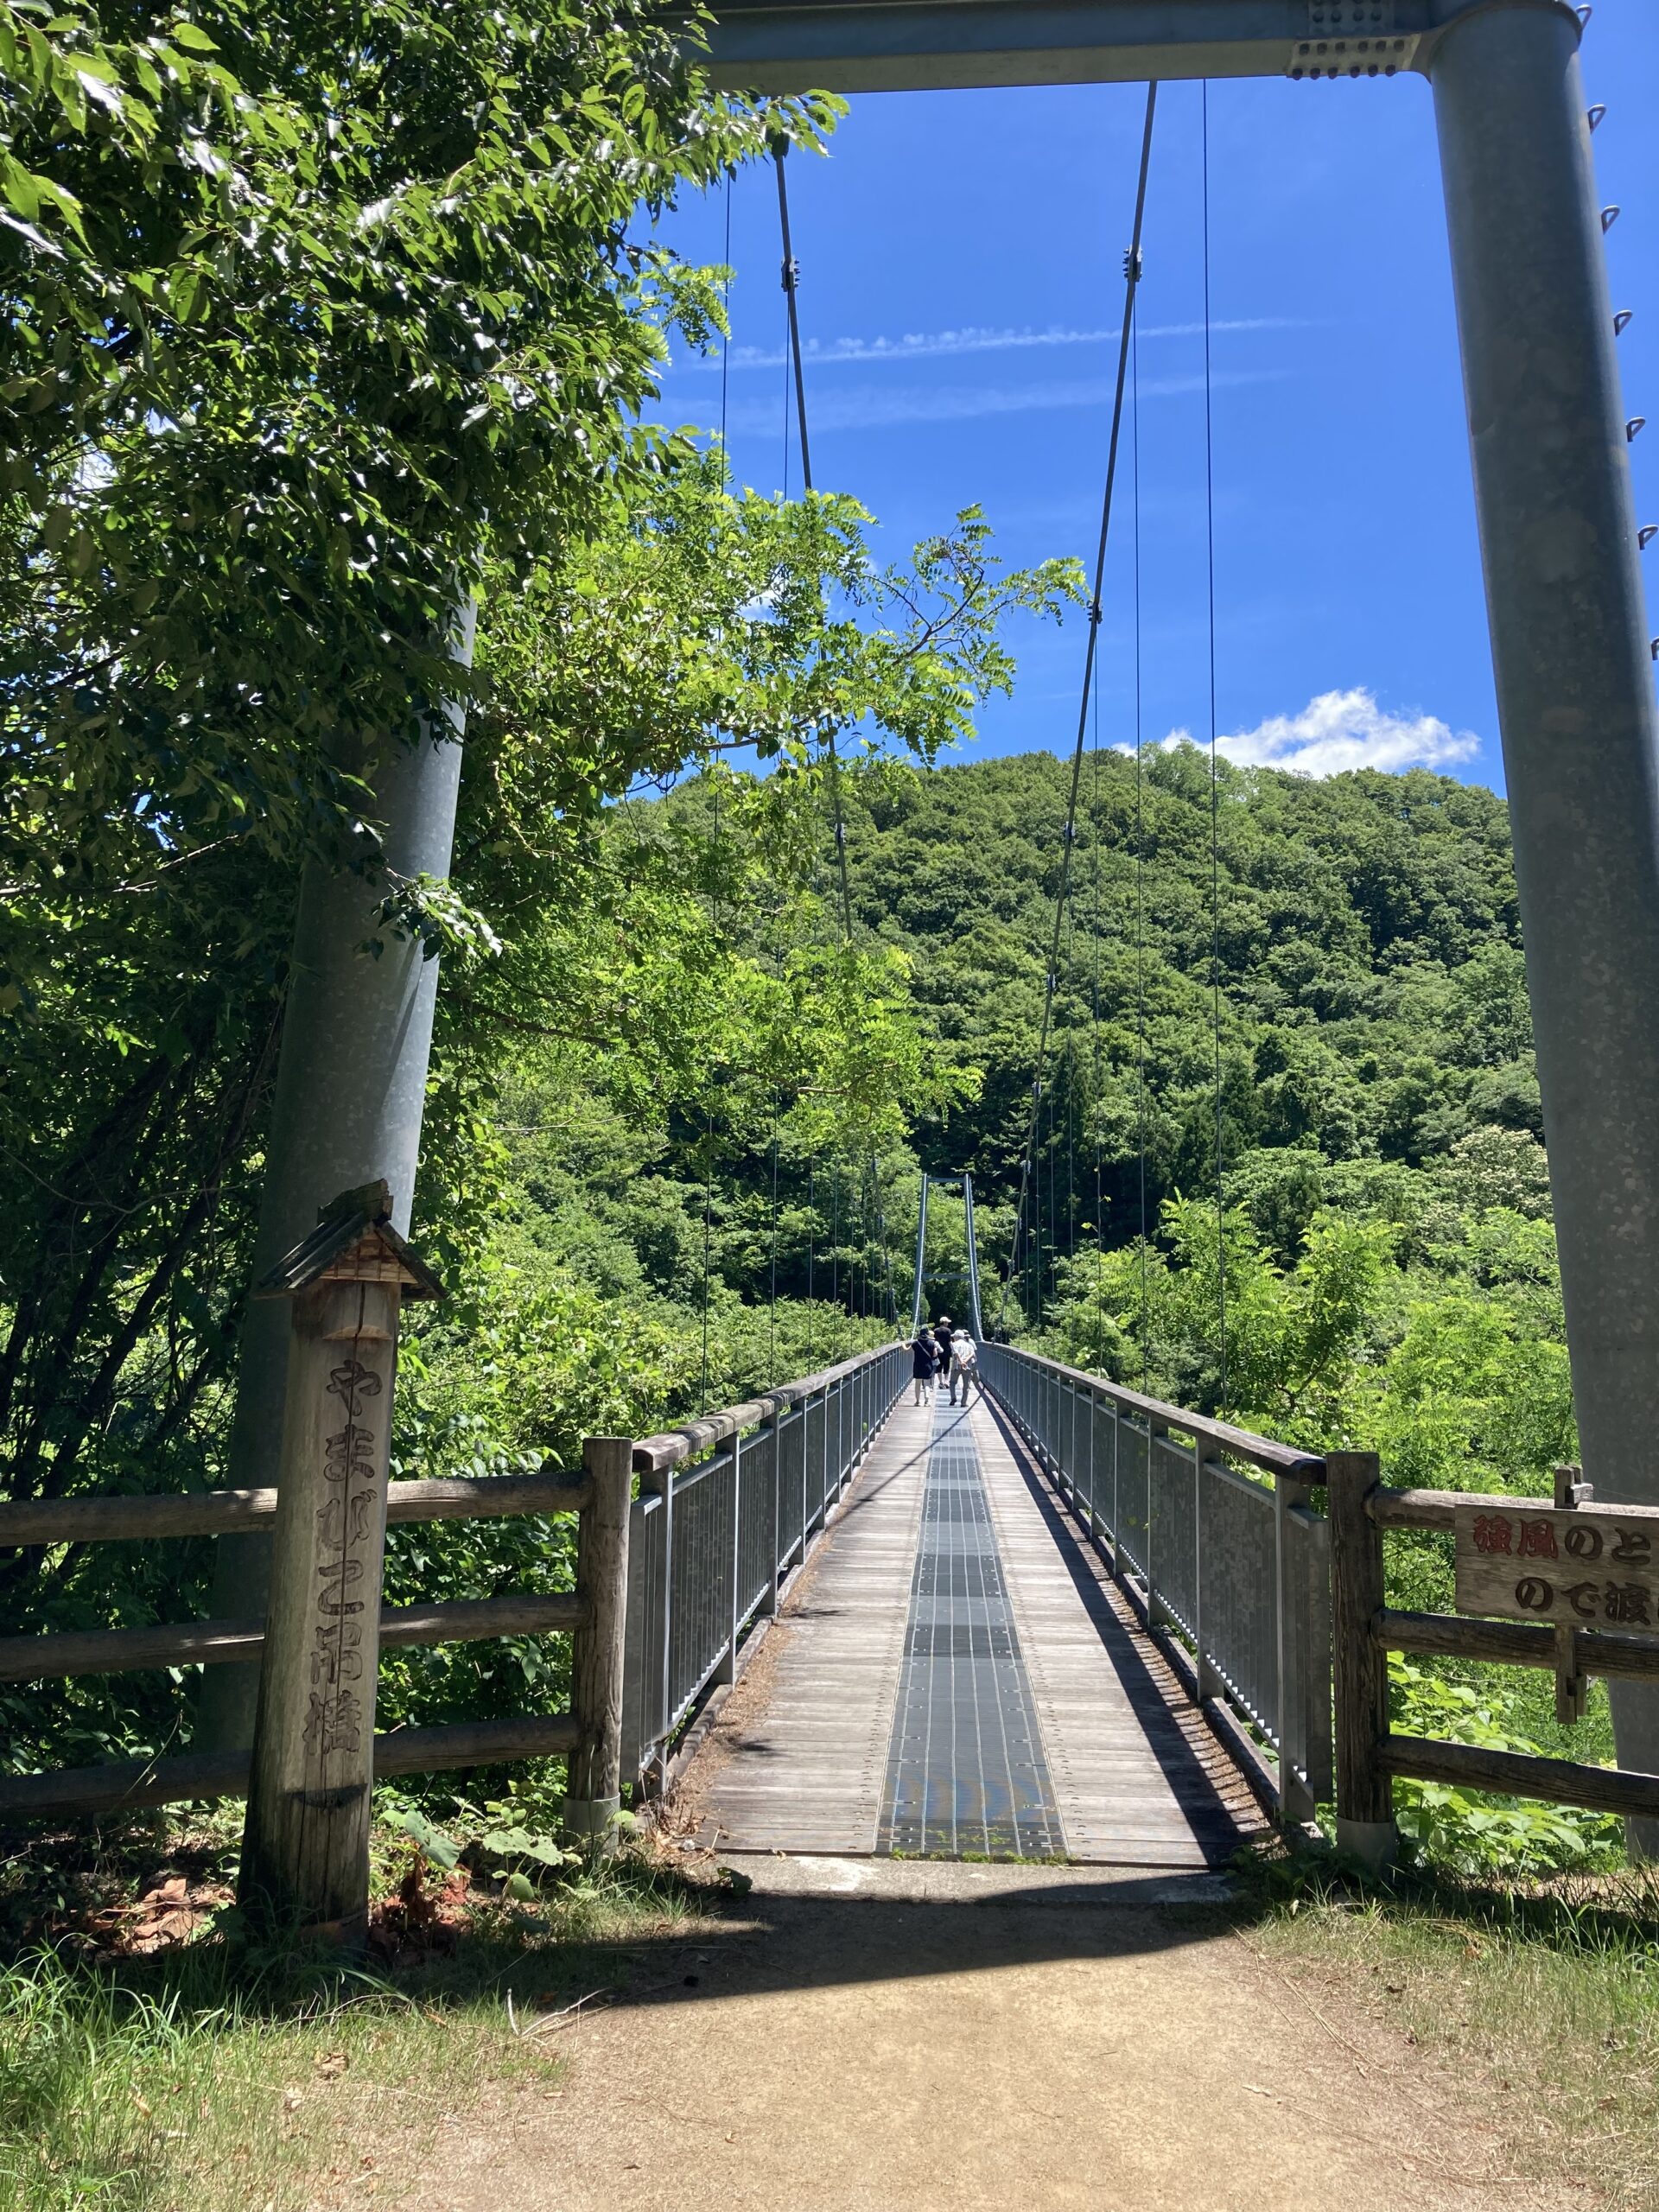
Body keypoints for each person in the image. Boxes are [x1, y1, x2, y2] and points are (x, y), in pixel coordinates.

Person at [909, 1322, 941, 1405]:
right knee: (927, 1383)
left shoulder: (915, 1343)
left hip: (918, 1366)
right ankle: (927, 1400)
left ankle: (917, 1401)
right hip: (928, 1366)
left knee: (918, 1384)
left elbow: (908, 1350)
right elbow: (935, 1354)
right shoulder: (932, 1343)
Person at [948, 1326, 978, 1407]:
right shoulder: (969, 1345)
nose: (953, 1338)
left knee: (952, 1383)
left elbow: (956, 1353)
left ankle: (953, 1397)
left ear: (957, 1337)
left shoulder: (954, 1344)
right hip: (967, 1366)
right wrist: (965, 1361)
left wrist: (961, 1362)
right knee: (966, 1385)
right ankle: (963, 1402)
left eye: (954, 1337)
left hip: (956, 1366)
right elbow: (973, 1354)